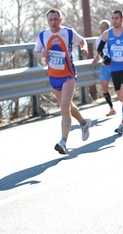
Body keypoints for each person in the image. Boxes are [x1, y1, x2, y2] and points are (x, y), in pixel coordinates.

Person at [34, 8, 92, 155]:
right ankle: (84, 123)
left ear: (61, 20)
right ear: (47, 21)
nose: (53, 22)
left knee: (64, 108)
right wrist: (42, 54)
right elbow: (36, 53)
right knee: (68, 106)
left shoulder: (68, 32)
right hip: (53, 77)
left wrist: (84, 48)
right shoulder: (43, 35)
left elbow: (82, 41)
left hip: (68, 76)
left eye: (55, 19)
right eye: (50, 20)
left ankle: (63, 142)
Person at [97, 10, 123, 134]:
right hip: (114, 68)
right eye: (113, 18)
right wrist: (104, 56)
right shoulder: (107, 34)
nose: (114, 20)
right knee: (121, 97)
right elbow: (99, 49)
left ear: (122, 19)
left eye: (116, 18)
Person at [92, 19, 117, 116]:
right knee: (104, 88)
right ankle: (111, 108)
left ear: (108, 28)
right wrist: (96, 59)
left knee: (119, 88)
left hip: (115, 65)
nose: (102, 29)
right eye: (101, 27)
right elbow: (100, 53)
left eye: (104, 27)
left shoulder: (113, 37)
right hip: (105, 66)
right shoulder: (98, 40)